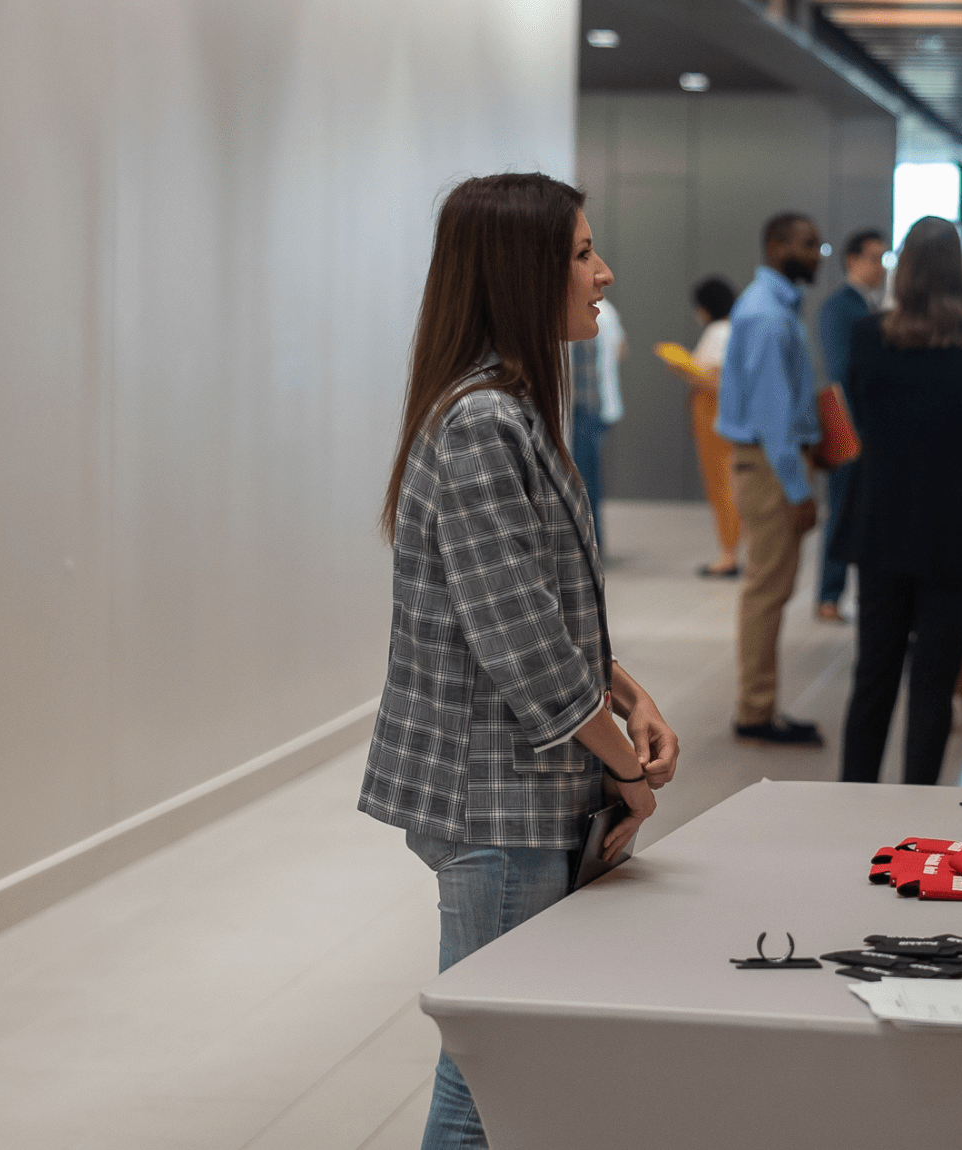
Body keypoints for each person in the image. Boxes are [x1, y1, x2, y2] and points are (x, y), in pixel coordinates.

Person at [359, 173, 683, 1150]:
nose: (603, 272)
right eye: (582, 253)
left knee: (506, 1067)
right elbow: (527, 651)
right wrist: (629, 777)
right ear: (522, 269)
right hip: (497, 804)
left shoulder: (511, 408)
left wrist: (627, 692)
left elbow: (535, 600)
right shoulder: (479, 423)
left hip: (520, 793)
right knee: (484, 1083)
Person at [831, 217, 962, 785]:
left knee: (874, 673)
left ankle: (853, 796)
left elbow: (860, 413)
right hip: (956, 523)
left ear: (904, 269)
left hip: (884, 517)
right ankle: (916, 805)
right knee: (934, 682)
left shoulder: (868, 334)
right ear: (958, 272)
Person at [716, 211, 827, 747]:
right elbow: (772, 415)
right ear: (776, 244)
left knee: (769, 590)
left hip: (770, 462)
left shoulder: (777, 308)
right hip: (767, 467)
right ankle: (754, 711)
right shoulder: (766, 315)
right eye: (808, 244)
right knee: (766, 592)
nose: (816, 253)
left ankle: (760, 704)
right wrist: (799, 492)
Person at [814, 228, 888, 624]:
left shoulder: (876, 304)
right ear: (852, 260)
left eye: (883, 258)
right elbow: (842, 371)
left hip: (874, 425)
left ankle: (850, 594)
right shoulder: (839, 306)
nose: (880, 266)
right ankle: (828, 594)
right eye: (874, 257)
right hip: (848, 422)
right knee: (842, 511)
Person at [663, 276, 741, 578]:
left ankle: (728, 554)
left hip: (715, 421)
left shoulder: (718, 333)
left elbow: (715, 381)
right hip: (721, 420)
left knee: (723, 487)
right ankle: (732, 550)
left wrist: (684, 369)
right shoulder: (732, 330)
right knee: (728, 485)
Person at [568, 296, 624, 554]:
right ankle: (594, 543)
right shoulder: (608, 309)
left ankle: (591, 546)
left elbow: (585, 376)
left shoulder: (581, 313)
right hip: (604, 407)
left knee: (585, 481)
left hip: (587, 409)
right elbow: (621, 348)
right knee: (590, 480)